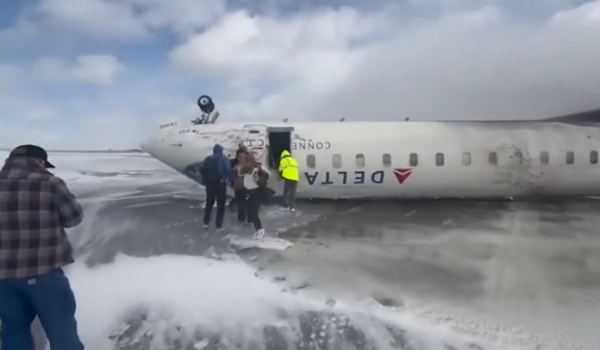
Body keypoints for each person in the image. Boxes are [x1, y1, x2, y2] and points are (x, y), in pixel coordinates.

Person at [0, 145, 85, 350]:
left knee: (13, 329)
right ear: (38, 162)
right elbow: (73, 218)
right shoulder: (50, 184)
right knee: (62, 331)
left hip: (3, 278)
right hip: (44, 273)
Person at [199, 144, 234, 231]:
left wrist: (205, 177)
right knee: (220, 205)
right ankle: (219, 225)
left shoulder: (208, 159)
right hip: (220, 184)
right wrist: (231, 180)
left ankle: (206, 223)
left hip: (210, 184)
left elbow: (201, 169)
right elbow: (228, 171)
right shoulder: (224, 159)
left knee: (209, 203)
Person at [240, 153, 270, 238]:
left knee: (253, 212)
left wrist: (257, 178)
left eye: (246, 161)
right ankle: (257, 228)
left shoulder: (257, 171)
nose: (245, 163)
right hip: (248, 192)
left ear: (251, 162)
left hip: (256, 193)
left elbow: (264, 182)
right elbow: (240, 174)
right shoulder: (245, 170)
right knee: (250, 211)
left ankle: (259, 229)